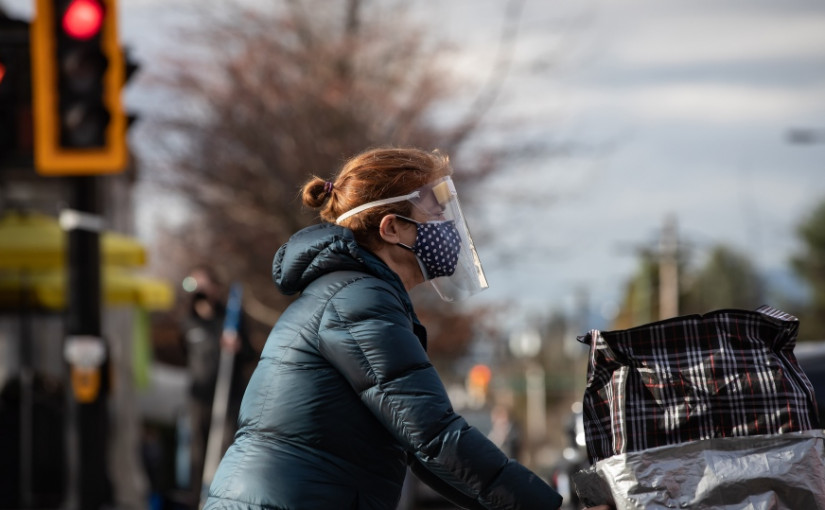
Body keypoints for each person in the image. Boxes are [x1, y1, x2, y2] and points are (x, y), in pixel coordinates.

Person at [202, 147, 606, 510]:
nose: (448, 227)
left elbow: (425, 449)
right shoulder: (358, 300)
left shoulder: (352, 292)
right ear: (391, 228)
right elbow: (434, 436)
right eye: (435, 212)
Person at [181, 266, 255, 507]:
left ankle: (225, 501)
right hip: (199, 399)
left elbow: (251, 353)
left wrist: (237, 346)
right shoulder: (188, 322)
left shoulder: (230, 318)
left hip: (229, 397)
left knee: (226, 447)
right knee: (197, 450)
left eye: (203, 285)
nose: (199, 291)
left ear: (214, 288)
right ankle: (197, 500)